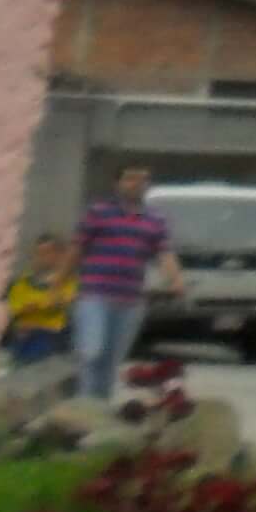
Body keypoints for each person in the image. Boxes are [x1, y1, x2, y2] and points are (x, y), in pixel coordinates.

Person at [72, 166, 181, 401]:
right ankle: (83, 405)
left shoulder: (155, 219)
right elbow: (77, 249)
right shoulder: (98, 212)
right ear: (117, 183)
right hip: (95, 295)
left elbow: (165, 254)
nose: (136, 183)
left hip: (130, 301)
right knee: (91, 351)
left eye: (143, 179)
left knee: (111, 360)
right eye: (130, 178)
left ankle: (99, 410)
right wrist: (59, 281)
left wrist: (175, 280)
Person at [0, 235, 74, 368]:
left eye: (47, 252)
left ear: (57, 256)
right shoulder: (21, 284)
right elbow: (14, 311)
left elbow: (62, 302)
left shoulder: (66, 281)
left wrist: (35, 308)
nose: (42, 257)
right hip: (23, 336)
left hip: (51, 335)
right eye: (39, 253)